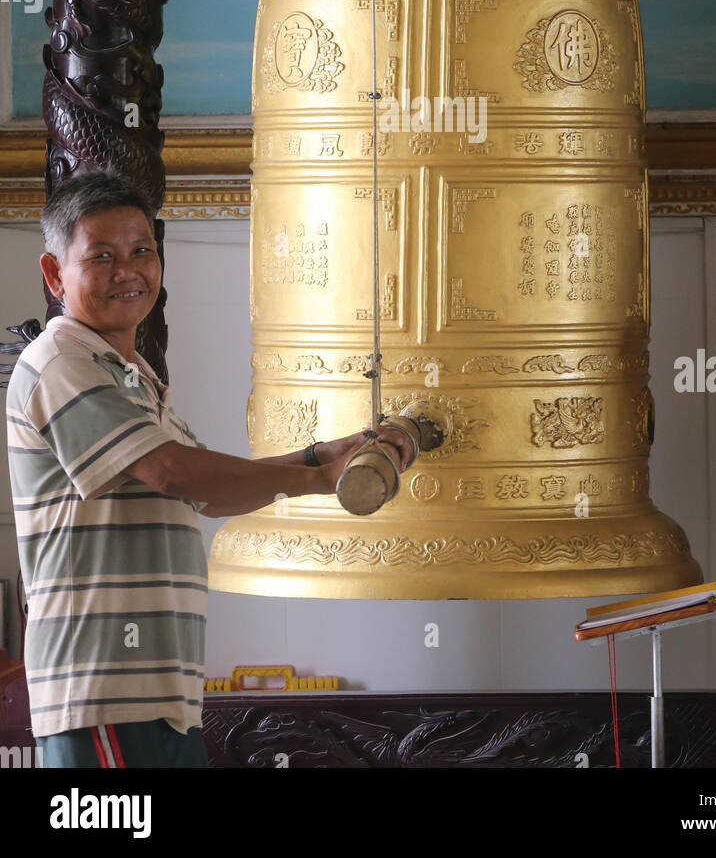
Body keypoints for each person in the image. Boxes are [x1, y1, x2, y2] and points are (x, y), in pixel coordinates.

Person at [5, 171, 412, 769]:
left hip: (158, 696)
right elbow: (174, 471)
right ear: (53, 273)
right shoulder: (61, 360)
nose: (129, 271)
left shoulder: (132, 374)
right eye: (102, 256)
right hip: (101, 695)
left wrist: (314, 456)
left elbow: (206, 496)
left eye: (142, 250)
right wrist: (318, 479)